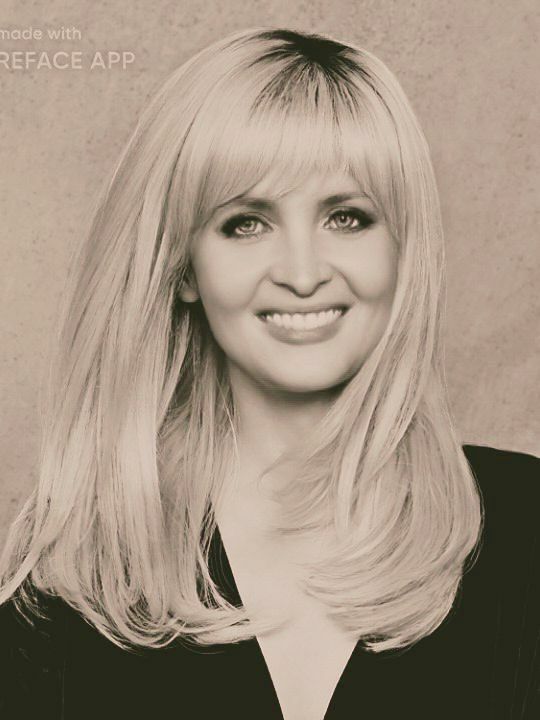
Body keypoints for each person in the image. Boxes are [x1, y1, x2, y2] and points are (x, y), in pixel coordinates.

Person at [0, 26, 538, 720]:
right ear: (183, 266)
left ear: (405, 251)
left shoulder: (526, 529)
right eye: (246, 223)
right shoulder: (76, 562)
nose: (303, 274)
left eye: (347, 217)